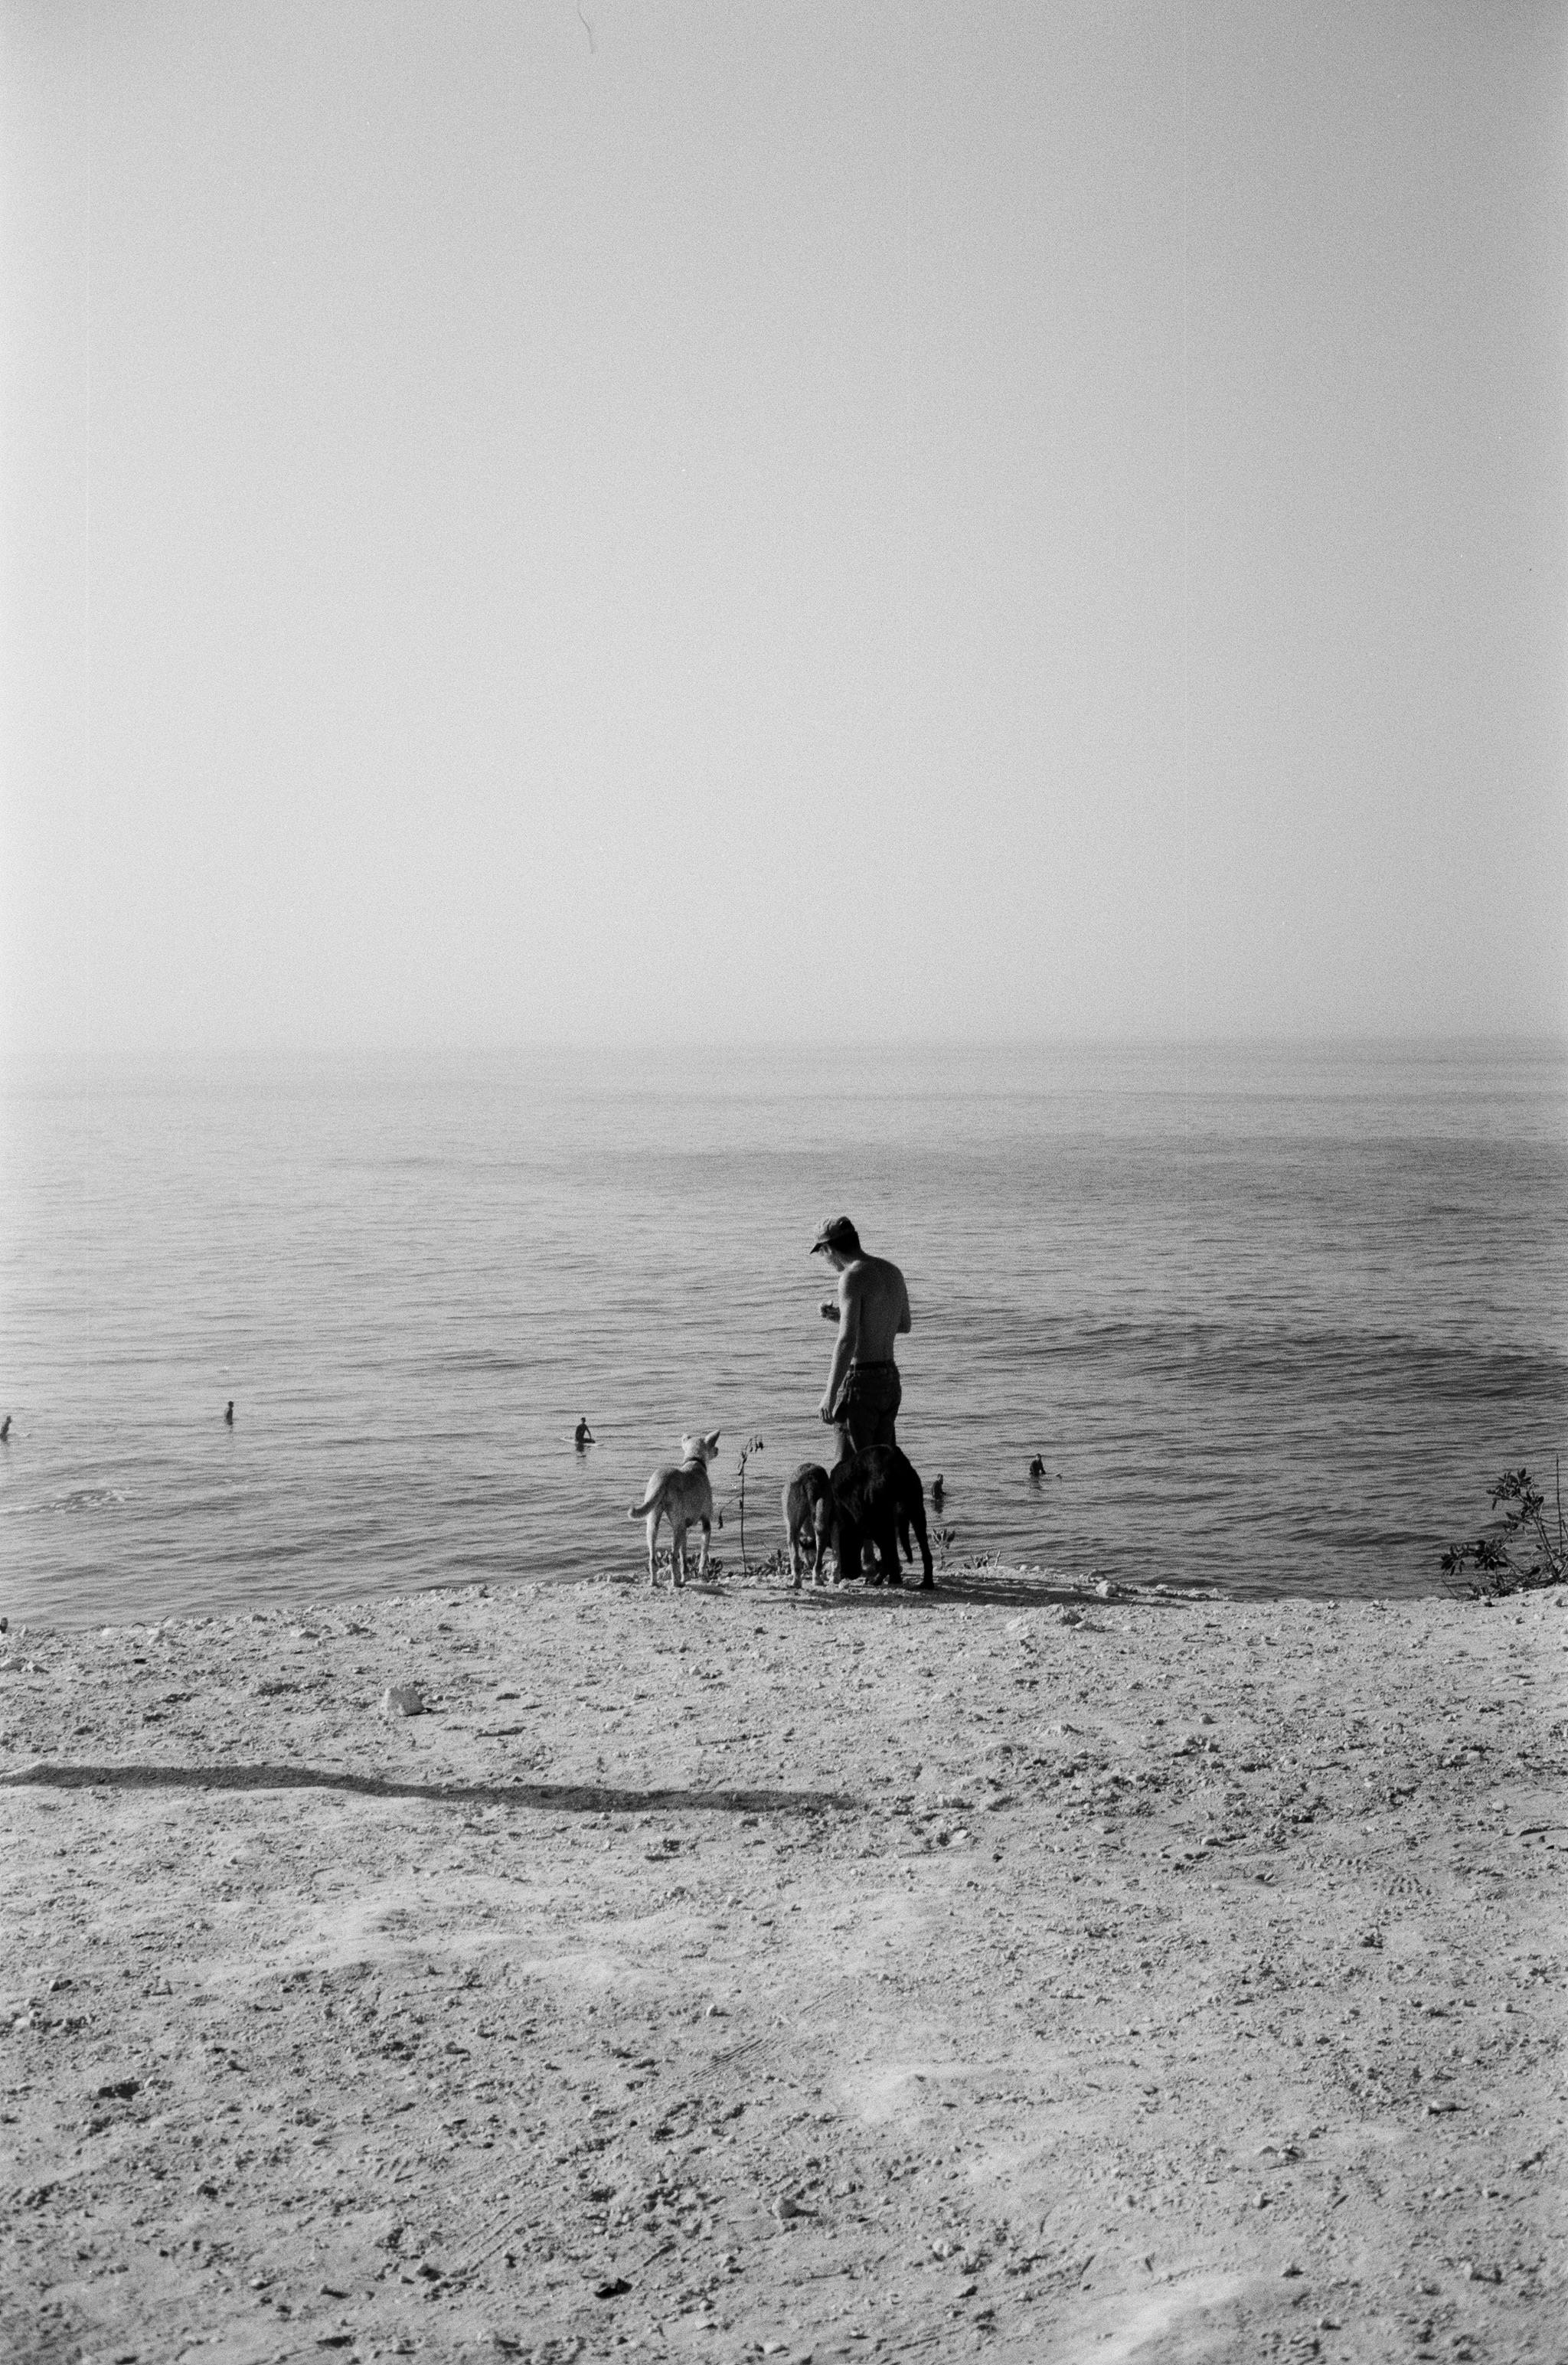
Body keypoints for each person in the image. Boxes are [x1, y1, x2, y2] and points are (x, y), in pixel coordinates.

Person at [812, 1215, 911, 1465]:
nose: (825, 1259)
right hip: (889, 1379)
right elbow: (903, 1325)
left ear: (828, 1249)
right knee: (881, 1469)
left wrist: (830, 1393)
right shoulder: (892, 1272)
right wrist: (842, 1317)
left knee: (851, 1474)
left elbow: (847, 1341)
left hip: (862, 1384)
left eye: (822, 1253)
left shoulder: (851, 1277)